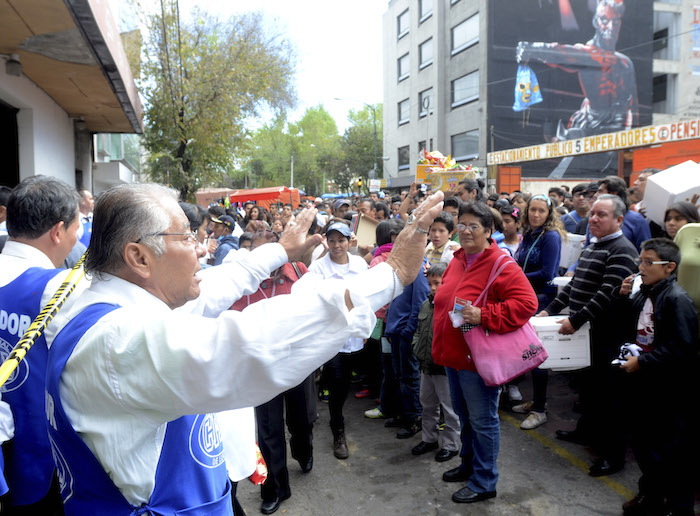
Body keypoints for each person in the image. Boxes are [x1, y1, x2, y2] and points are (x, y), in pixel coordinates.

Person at [44, 183, 444, 514]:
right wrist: (388, 278)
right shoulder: (117, 339)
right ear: (139, 257)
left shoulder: (118, 304)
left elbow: (215, 287)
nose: (203, 248)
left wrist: (280, 251)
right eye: (187, 237)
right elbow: (247, 344)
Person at [432, 202, 538, 504]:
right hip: (454, 356)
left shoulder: (499, 263)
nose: (465, 231)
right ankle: (468, 465)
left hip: (479, 361)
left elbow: (527, 304)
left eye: (473, 226)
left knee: (483, 420)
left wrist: (485, 315)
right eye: (461, 224)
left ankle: (484, 481)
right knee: (465, 418)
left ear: (489, 230)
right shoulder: (458, 258)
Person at [0, 175, 82, 514]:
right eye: (78, 228)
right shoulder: (61, 288)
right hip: (40, 460)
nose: (79, 237)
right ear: (58, 231)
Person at [541, 194, 638, 477]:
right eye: (593, 213)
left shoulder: (622, 249)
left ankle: (613, 455)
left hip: (605, 335)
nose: (593, 219)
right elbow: (574, 286)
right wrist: (550, 310)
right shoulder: (594, 245)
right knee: (589, 390)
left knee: (609, 396)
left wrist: (576, 319)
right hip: (585, 333)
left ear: (619, 220)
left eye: (602, 215)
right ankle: (587, 433)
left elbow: (606, 293)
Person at [615, 238, 698, 516]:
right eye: (641, 260)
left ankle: (678, 506)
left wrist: (645, 361)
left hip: (667, 387)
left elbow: (684, 348)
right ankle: (649, 496)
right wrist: (624, 297)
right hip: (643, 381)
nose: (641, 267)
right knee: (643, 443)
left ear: (669, 267)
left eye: (649, 262)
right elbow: (630, 327)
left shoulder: (677, 299)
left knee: (670, 450)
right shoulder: (642, 293)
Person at [231, 256, 314, 515]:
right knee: (268, 430)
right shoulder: (244, 284)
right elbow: (232, 320)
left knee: (301, 420)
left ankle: (304, 452)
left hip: (297, 360)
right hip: (262, 368)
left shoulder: (299, 274)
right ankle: (275, 489)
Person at [308, 222, 369, 459]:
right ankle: (338, 430)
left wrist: (365, 330)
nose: (336, 246)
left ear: (349, 241)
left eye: (341, 240)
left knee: (348, 384)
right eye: (332, 241)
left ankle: (337, 418)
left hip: (356, 337)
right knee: (337, 384)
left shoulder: (360, 265)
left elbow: (367, 299)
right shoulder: (318, 269)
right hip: (331, 338)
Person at [512, 195, 564, 430]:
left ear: (549, 213)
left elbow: (547, 273)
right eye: (532, 210)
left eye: (541, 211)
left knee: (537, 354)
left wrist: (515, 277)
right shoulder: (530, 234)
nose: (536, 214)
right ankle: (536, 400)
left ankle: (540, 409)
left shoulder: (551, 236)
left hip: (541, 300)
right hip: (525, 297)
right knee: (528, 354)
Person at [410, 263, 460, 463]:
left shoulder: (454, 306)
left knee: (450, 409)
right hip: (427, 366)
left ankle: (450, 445)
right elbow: (419, 331)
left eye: (437, 283)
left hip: (445, 368)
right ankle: (429, 439)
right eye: (430, 283)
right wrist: (417, 347)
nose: (432, 288)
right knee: (427, 405)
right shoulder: (425, 304)